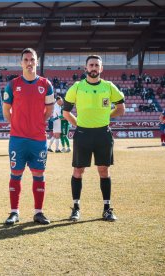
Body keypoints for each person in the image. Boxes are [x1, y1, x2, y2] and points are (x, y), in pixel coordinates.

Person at [62, 54, 125, 222]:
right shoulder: (77, 87)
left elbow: (121, 107)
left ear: (101, 68)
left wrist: (106, 118)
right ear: (86, 68)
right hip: (83, 134)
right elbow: (65, 112)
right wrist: (78, 125)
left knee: (103, 170)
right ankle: (76, 208)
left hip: (103, 134)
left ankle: (107, 209)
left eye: (97, 65)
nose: (94, 68)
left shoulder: (109, 86)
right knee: (78, 170)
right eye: (91, 65)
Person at [2, 48, 54, 225]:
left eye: (32, 59)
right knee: (16, 173)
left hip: (38, 139)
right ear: (21, 63)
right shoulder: (13, 84)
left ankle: (38, 212)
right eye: (26, 60)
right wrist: (17, 123)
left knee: (38, 174)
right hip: (17, 138)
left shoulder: (46, 84)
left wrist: (38, 122)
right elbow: (6, 111)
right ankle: (14, 212)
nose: (29, 62)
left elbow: (50, 110)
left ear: (36, 62)